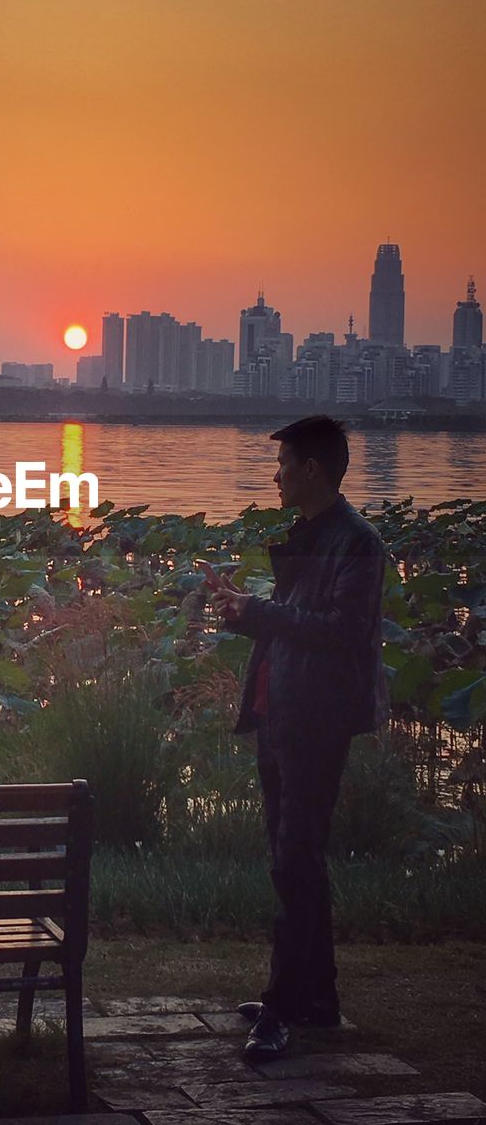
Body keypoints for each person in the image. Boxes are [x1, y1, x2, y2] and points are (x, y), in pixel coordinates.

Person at [210, 416, 389, 1061]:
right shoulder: (310, 535)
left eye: (283, 463)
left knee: (296, 860)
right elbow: (293, 625)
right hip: (278, 713)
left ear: (312, 469)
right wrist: (243, 612)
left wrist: (258, 611)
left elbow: (339, 630)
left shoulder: (358, 543)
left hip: (316, 721)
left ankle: (282, 1008)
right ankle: (319, 999)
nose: (275, 475)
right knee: (294, 863)